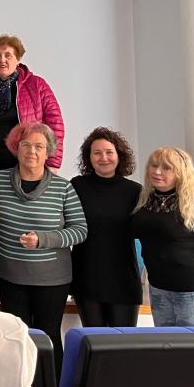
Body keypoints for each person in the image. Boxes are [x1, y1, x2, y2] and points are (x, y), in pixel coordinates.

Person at [0, 122, 86, 376]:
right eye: (26, 145)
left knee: (48, 336)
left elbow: (80, 230)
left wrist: (43, 239)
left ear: (48, 152)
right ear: (15, 148)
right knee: (16, 336)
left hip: (51, 279)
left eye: (39, 146)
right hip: (10, 276)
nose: (32, 151)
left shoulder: (64, 188)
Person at [132, 147, 194, 327]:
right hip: (159, 288)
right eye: (154, 165)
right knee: (168, 348)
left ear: (180, 173)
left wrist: (193, 265)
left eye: (166, 167)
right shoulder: (145, 201)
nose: (157, 171)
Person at [70, 128, 142, 327]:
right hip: (87, 276)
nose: (104, 158)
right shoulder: (77, 186)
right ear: (89, 157)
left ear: (119, 156)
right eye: (97, 153)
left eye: (109, 152)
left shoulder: (134, 191)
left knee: (123, 348)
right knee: (94, 345)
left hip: (123, 279)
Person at [0, 35, 64, 176]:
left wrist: (53, 163)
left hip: (28, 162)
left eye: (8, 55)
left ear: (18, 59)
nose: (2, 60)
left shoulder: (37, 85)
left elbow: (56, 124)